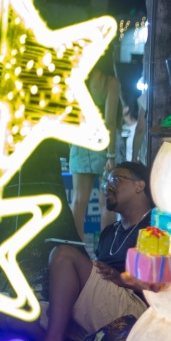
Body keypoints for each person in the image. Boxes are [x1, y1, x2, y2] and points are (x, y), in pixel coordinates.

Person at [1, 162, 155, 341]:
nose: (107, 186)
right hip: (102, 308)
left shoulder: (156, 225)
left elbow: (156, 284)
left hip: (135, 311)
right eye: (106, 182)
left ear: (139, 186)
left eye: (115, 180)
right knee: (15, 317)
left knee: (63, 254)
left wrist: (120, 277)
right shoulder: (110, 231)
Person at [69, 52, 121, 241]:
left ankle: (77, 247)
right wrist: (111, 155)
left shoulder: (79, 81)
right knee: (106, 202)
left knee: (78, 201)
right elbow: (109, 123)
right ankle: (105, 249)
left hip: (80, 142)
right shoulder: (111, 82)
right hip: (102, 146)